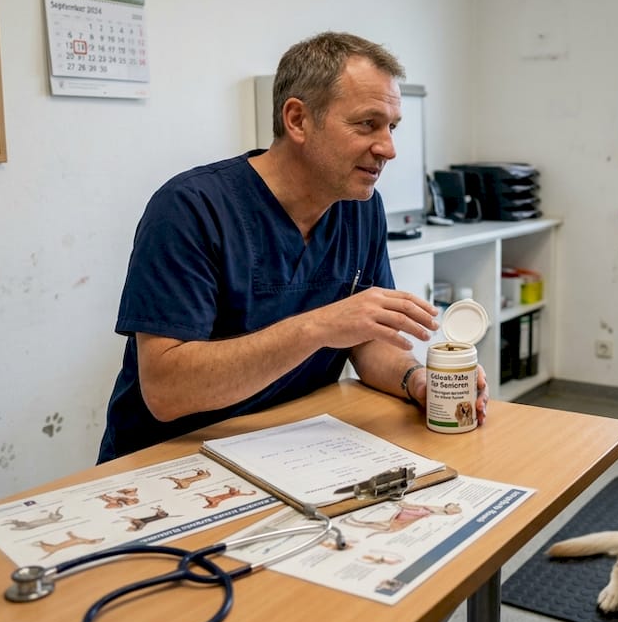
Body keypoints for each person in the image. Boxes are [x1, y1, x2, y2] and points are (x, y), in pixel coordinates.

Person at [98, 31, 487, 463]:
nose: (389, 149)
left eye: (392, 127)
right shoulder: (191, 209)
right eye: (367, 124)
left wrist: (415, 379)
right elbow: (167, 391)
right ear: (298, 120)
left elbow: (366, 341)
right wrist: (319, 326)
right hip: (172, 461)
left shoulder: (360, 208)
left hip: (288, 446)